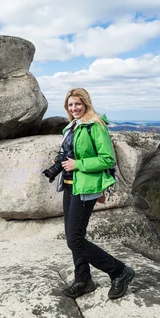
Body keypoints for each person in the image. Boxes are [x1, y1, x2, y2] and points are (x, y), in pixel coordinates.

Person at [47, 87, 135, 299]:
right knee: (73, 236)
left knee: (75, 240)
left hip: (85, 188)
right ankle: (83, 279)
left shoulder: (95, 126)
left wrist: (78, 164)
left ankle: (120, 272)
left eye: (78, 104)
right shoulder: (73, 126)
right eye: (70, 105)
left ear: (86, 104)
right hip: (70, 186)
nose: (74, 108)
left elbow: (107, 159)